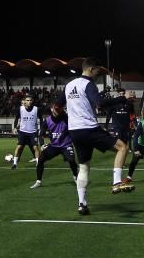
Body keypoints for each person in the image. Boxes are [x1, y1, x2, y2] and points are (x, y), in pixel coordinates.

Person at [55, 57, 133, 216]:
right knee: (122, 147)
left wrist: (68, 117)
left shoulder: (69, 85)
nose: (98, 74)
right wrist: (123, 98)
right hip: (89, 129)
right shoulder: (88, 84)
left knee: (84, 167)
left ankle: (82, 204)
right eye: (98, 70)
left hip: (75, 131)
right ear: (91, 69)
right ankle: (117, 182)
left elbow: (56, 107)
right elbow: (100, 104)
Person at [31, 103, 78, 188]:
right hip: (54, 145)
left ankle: (76, 177)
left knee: (71, 160)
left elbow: (73, 129)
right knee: (41, 160)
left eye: (59, 109)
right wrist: (41, 145)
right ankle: (38, 181)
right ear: (52, 110)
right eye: (56, 109)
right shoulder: (47, 120)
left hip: (66, 145)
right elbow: (41, 134)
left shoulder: (66, 118)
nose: (57, 111)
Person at [11, 94, 42, 169]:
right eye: (27, 100)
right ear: (24, 101)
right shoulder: (20, 109)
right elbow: (16, 118)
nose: (29, 102)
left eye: (31, 100)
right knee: (19, 147)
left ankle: (38, 164)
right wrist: (15, 128)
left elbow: (41, 119)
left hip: (33, 132)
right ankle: (14, 164)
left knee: (35, 148)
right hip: (22, 132)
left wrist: (41, 129)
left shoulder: (36, 109)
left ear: (32, 101)